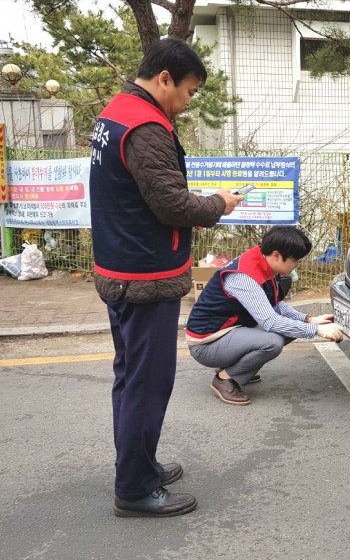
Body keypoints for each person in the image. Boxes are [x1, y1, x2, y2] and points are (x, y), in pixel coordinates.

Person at [90, 38, 243, 517]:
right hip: (143, 275)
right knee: (146, 382)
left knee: (130, 377)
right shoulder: (146, 126)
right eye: (189, 90)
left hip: (121, 266)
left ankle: (139, 463)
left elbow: (150, 192)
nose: (189, 100)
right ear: (164, 80)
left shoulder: (115, 111)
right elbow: (173, 205)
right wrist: (219, 203)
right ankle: (134, 488)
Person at [185, 226, 344, 405]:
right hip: (207, 344)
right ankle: (225, 378)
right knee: (272, 342)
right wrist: (317, 330)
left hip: (228, 332)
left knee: (288, 329)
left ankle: (239, 368)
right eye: (295, 260)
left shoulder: (262, 261)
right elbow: (270, 321)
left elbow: (273, 304)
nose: (297, 265)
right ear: (276, 255)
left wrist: (309, 319)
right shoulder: (245, 276)